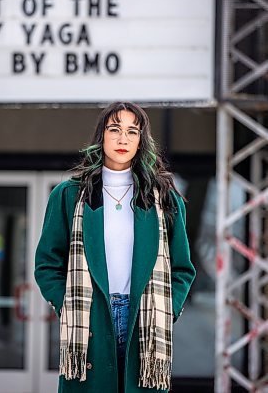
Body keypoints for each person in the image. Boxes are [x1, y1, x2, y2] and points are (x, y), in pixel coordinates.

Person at [34, 101, 196, 393]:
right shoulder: (69, 195)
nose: (123, 139)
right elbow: (47, 263)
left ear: (140, 141)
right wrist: (66, 303)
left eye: (132, 132)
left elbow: (182, 266)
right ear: (101, 136)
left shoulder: (164, 198)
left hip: (144, 318)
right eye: (115, 129)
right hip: (92, 315)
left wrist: (167, 310)